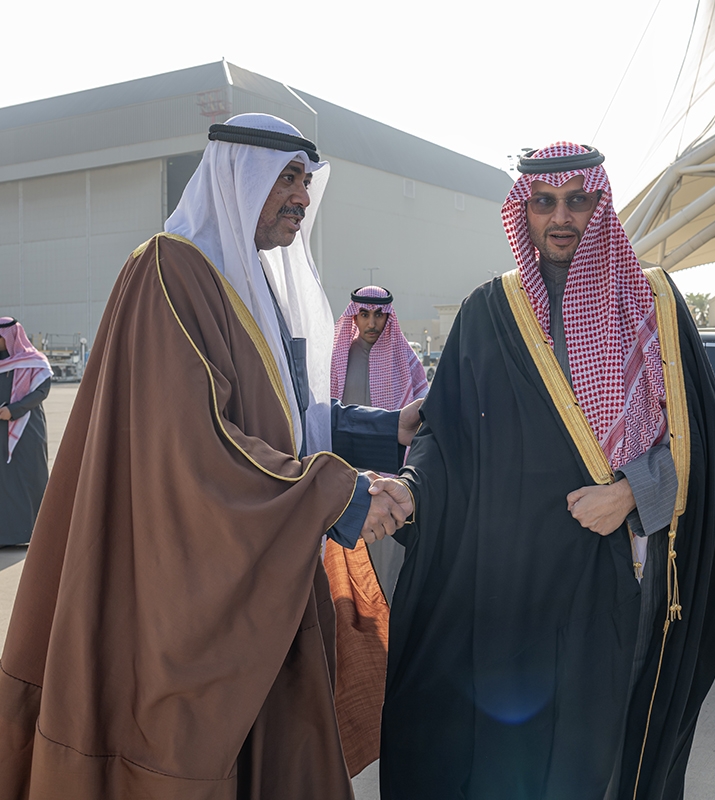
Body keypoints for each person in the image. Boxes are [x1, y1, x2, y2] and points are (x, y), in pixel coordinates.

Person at [0, 113, 416, 799]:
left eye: (306, 181)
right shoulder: (169, 270)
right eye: (286, 178)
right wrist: (336, 497)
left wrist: (390, 427)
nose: (302, 197)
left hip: (258, 561)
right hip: (185, 575)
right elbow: (196, 443)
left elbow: (291, 417)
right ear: (237, 178)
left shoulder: (245, 280)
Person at [376, 142, 715, 800]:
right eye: (544, 202)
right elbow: (445, 435)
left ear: (601, 204)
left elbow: (701, 440)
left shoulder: (654, 301)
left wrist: (631, 494)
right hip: (518, 577)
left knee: (609, 740)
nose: (561, 217)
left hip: (626, 563)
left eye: (577, 201)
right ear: (525, 211)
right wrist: (409, 489)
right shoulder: (490, 310)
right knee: (519, 743)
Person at [329, 284, 428, 599]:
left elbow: (424, 415)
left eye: (378, 315)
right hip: (345, 476)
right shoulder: (336, 357)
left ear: (388, 317)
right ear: (353, 317)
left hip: (392, 477)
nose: (372, 323)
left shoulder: (405, 358)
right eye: (364, 314)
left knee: (388, 561)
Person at [0, 318, 52, 546]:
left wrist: (13, 411)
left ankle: (34, 533)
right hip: (1, 427)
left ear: (10, 337)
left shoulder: (34, 361)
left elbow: (41, 391)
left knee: (30, 475)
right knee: (4, 480)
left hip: (28, 428)